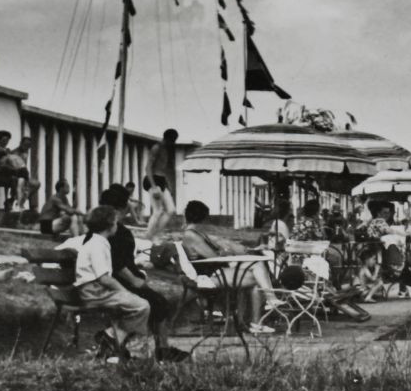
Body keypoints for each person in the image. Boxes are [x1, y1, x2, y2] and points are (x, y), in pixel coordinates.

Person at [97, 185, 179, 359]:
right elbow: (116, 262)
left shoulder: (99, 229)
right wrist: (134, 280)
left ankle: (155, 348)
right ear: (122, 207)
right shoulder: (116, 232)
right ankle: (159, 349)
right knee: (158, 303)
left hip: (106, 281)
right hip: (117, 283)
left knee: (155, 302)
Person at [180, 199, 277, 333]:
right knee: (256, 278)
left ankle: (255, 318)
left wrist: (223, 251)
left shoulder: (197, 233)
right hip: (209, 275)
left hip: (216, 270)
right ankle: (256, 318)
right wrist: (224, 251)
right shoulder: (191, 235)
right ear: (203, 218)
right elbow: (213, 257)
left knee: (257, 267)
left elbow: (217, 253)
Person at [72, 205, 152, 360]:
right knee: (142, 306)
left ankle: (113, 344)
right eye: (115, 223)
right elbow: (104, 278)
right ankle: (110, 339)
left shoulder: (98, 241)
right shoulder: (98, 244)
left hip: (94, 289)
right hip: (94, 291)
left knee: (134, 305)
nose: (117, 226)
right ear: (109, 226)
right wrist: (123, 291)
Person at [143, 129, 181, 236]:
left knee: (171, 210)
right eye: (172, 140)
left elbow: (164, 170)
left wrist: (168, 186)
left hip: (161, 181)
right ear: (167, 138)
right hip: (153, 180)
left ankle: (155, 233)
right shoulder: (157, 148)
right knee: (158, 211)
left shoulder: (167, 150)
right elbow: (148, 168)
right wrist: (153, 186)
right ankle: (149, 234)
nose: (173, 143)